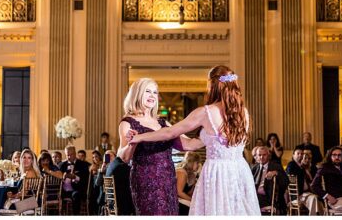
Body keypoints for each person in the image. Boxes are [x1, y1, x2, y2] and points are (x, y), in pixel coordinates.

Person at [130, 65, 260, 215]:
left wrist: (139, 137)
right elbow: (197, 143)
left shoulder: (206, 112)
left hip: (217, 172)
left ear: (212, 85)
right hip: (240, 170)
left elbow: (170, 133)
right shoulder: (243, 113)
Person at [118, 78, 203, 215]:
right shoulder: (128, 122)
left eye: (155, 92)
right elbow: (124, 157)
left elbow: (188, 144)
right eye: (147, 91)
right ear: (137, 93)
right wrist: (133, 142)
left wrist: (212, 133)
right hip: (146, 182)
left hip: (168, 180)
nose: (152, 95)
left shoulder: (163, 123)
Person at [312, 146, 342, 214]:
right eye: (334, 155)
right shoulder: (325, 167)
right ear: (330, 156)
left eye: (339, 155)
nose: (337, 157)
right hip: (334, 200)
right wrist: (327, 196)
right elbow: (314, 186)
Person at [252, 146, 289, 214]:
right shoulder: (254, 168)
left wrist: (276, 173)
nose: (261, 157)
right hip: (255, 196)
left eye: (264, 155)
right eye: (259, 155)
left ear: (268, 155)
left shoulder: (276, 166)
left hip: (269, 197)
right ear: (256, 156)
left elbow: (286, 181)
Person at [286, 148, 320, 215]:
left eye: (301, 154)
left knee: (319, 202)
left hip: (306, 193)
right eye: (298, 154)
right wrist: (302, 168)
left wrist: (305, 168)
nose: (300, 155)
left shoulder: (302, 167)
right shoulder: (292, 165)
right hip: (297, 194)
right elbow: (291, 176)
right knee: (314, 198)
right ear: (293, 155)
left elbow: (311, 180)